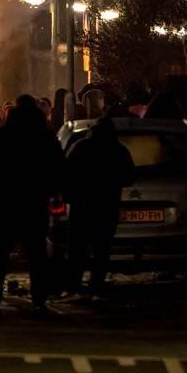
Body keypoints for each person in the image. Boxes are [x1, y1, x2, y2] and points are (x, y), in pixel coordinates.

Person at [0, 93, 65, 316]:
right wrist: (49, 191)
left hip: (3, 204)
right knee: (37, 255)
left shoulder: (2, 135)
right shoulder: (45, 136)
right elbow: (59, 169)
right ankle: (39, 302)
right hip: (34, 204)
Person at [65, 97, 135, 294]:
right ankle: (96, 282)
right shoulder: (119, 151)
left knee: (77, 249)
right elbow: (129, 177)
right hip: (107, 206)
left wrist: (70, 196)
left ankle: (74, 283)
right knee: (101, 249)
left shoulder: (81, 147)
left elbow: (67, 174)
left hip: (82, 207)